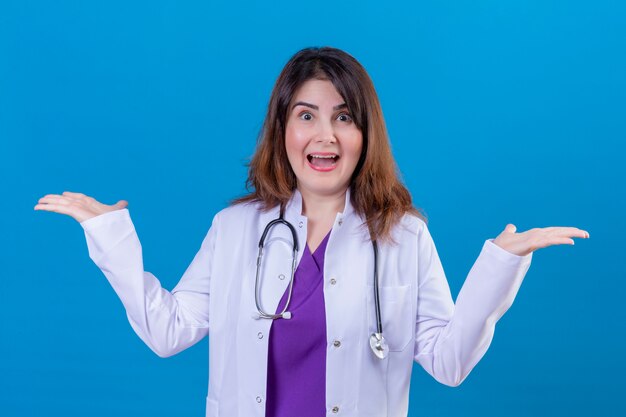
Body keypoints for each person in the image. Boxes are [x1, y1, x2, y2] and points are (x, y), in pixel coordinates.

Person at [34, 47, 589, 417]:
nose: (324, 135)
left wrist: (499, 266)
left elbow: (448, 364)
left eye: (343, 117)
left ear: (365, 134)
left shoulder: (404, 237)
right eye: (306, 115)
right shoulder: (234, 230)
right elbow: (167, 330)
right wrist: (110, 237)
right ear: (282, 129)